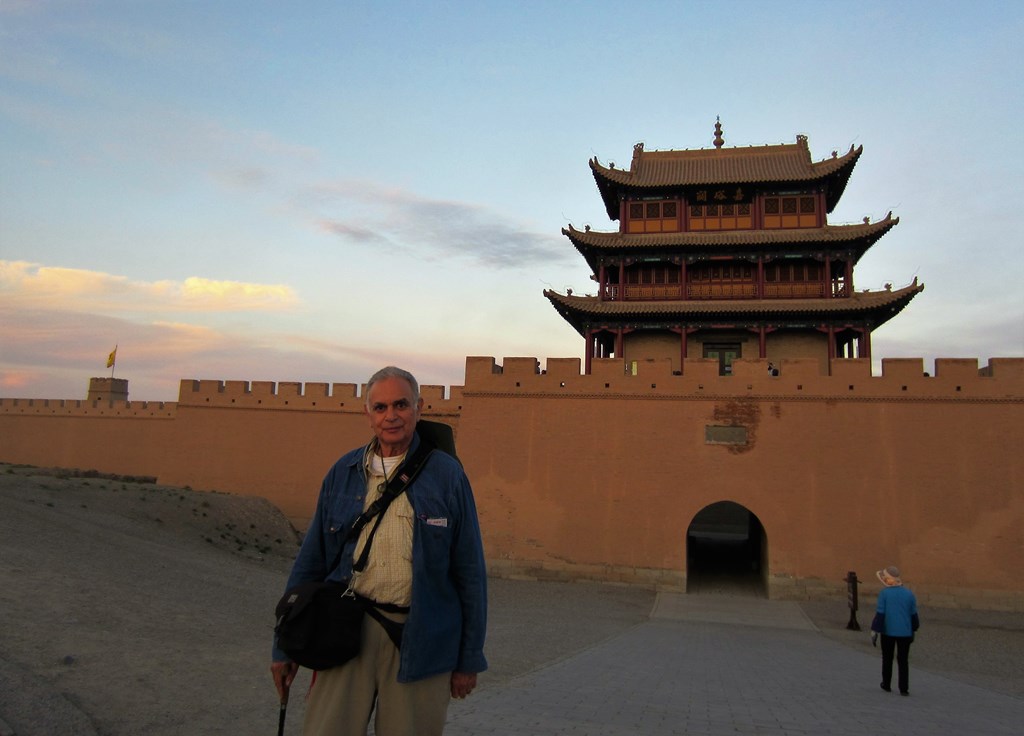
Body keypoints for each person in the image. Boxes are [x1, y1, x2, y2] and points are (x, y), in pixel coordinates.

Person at [271, 366, 488, 735]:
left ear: (419, 408)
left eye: (401, 404)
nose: (392, 416)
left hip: (421, 637)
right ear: (368, 414)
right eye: (381, 407)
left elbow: (469, 572)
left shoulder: (447, 476)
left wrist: (468, 658)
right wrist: (283, 647)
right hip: (344, 630)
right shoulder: (343, 472)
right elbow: (310, 562)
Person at [871, 565, 919, 696]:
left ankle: (886, 684)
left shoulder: (884, 594)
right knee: (903, 660)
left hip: (888, 632)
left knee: (887, 658)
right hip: (905, 632)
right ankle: (904, 688)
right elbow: (914, 615)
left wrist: (875, 630)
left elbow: (880, 613)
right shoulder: (909, 594)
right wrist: (914, 629)